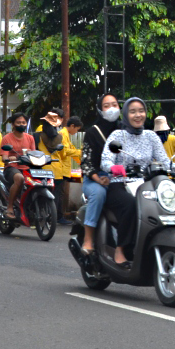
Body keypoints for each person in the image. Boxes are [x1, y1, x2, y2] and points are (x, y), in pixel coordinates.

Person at [101, 97, 171, 267]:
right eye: (132, 112)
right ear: (126, 114)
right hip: (120, 184)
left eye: (141, 111)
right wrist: (113, 168)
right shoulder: (118, 135)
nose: (138, 115)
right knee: (131, 205)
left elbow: (164, 160)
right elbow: (105, 159)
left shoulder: (151, 136)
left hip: (145, 184)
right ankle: (121, 249)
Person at [79, 94, 121, 254]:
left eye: (115, 105)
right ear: (100, 109)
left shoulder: (124, 129)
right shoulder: (92, 132)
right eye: (107, 105)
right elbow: (86, 163)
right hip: (96, 179)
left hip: (121, 177)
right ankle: (88, 239)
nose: (112, 108)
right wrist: (99, 179)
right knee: (98, 194)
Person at [0, 113, 36, 220]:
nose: (21, 124)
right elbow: (4, 156)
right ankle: (10, 207)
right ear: (13, 124)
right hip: (12, 168)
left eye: (23, 122)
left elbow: (34, 154)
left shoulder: (30, 138)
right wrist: (8, 158)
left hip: (27, 167)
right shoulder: (7, 138)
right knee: (19, 178)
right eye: (18, 122)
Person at [51, 116, 83, 225]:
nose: (76, 131)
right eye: (77, 129)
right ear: (72, 126)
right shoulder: (63, 134)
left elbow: (72, 149)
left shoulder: (66, 135)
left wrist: (80, 156)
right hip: (60, 169)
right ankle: (57, 216)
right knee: (58, 193)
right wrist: (79, 153)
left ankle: (58, 216)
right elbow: (64, 151)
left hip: (63, 169)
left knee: (60, 193)